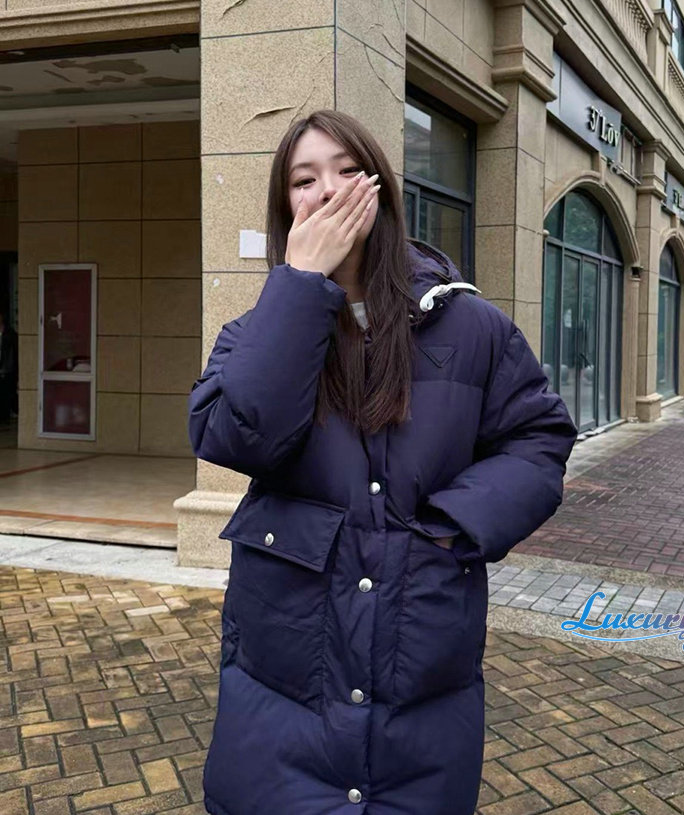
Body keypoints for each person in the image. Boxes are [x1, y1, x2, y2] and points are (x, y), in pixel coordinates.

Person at [188, 109, 578, 815]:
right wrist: (300, 287)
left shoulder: (471, 326)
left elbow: (539, 437)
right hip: (285, 673)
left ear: (381, 189)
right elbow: (233, 437)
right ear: (285, 207)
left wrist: (452, 526)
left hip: (422, 665)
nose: (328, 191)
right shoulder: (253, 335)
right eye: (304, 180)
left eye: (347, 171)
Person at [0, 308, 18, 423]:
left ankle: (6, 415)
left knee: (7, 393)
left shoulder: (10, 334)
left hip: (7, 369)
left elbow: (14, 352)